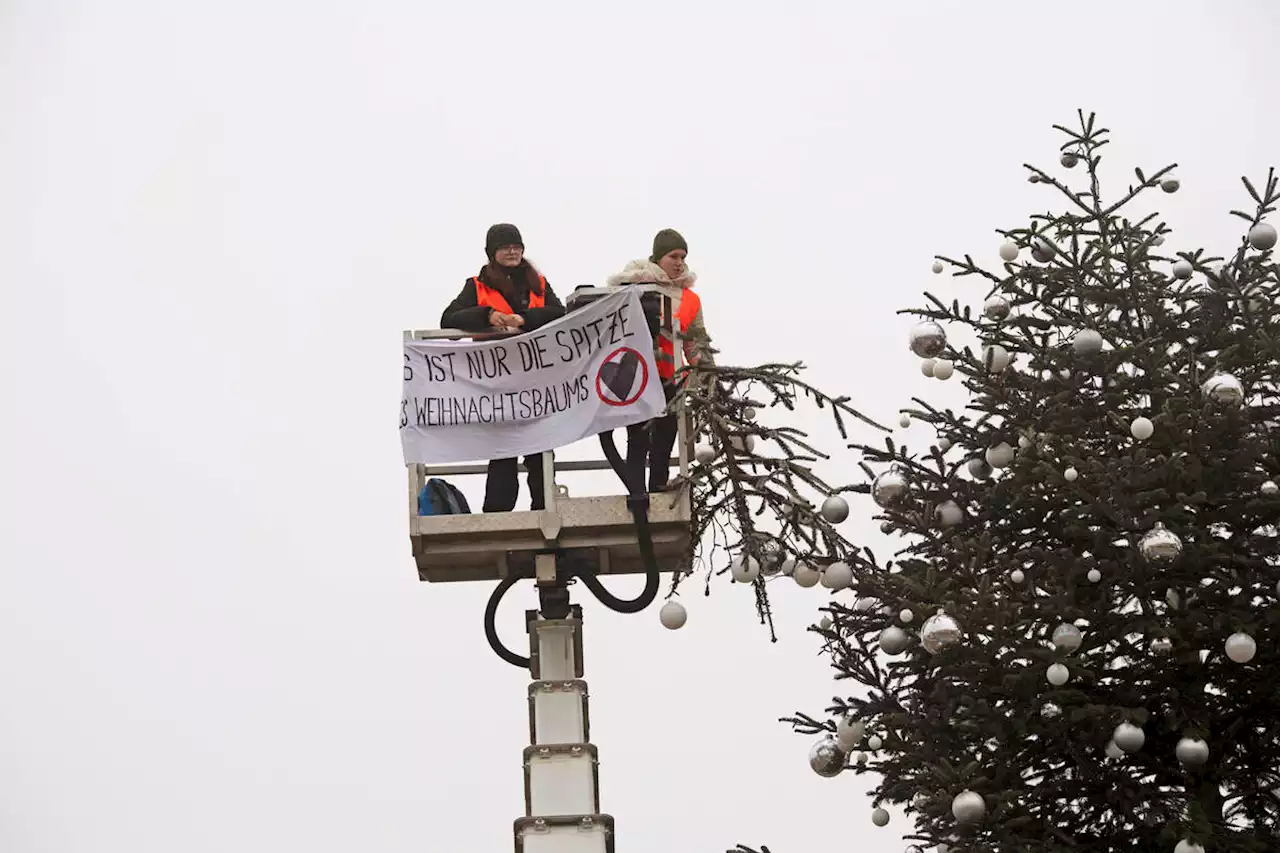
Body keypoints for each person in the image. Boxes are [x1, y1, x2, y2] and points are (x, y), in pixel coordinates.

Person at [440, 223, 565, 512]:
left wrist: (524, 319)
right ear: (492, 253)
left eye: (516, 246)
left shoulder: (540, 284)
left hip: (535, 381)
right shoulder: (476, 285)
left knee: (540, 451)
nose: (512, 251)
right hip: (496, 383)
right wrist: (488, 314)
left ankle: (545, 511)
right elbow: (448, 319)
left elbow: (560, 314)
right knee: (502, 452)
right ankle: (496, 514)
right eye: (505, 246)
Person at [606, 228, 715, 492]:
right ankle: (636, 493)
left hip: (671, 375)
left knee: (666, 435)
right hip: (637, 373)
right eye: (673, 256)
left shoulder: (690, 298)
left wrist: (708, 373)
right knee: (638, 436)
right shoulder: (633, 285)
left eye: (682, 257)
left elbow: (695, 341)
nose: (679, 263)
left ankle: (657, 486)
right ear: (657, 258)